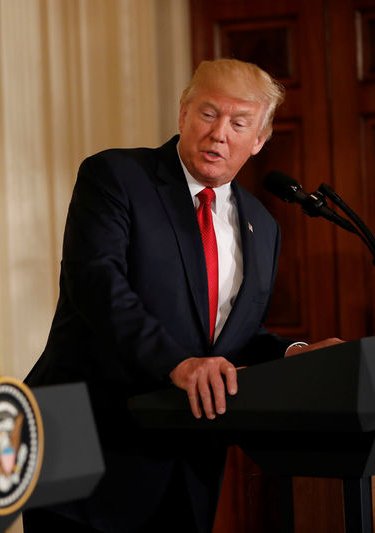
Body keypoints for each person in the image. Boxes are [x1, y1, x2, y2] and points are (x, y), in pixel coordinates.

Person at [23, 58, 341, 532]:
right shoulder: (115, 177)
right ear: (183, 115)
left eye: (239, 123)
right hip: (90, 456)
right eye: (209, 114)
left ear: (259, 139)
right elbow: (98, 286)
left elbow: (232, 337)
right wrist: (178, 362)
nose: (219, 134)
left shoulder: (264, 226)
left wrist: (295, 355)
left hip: (186, 468)